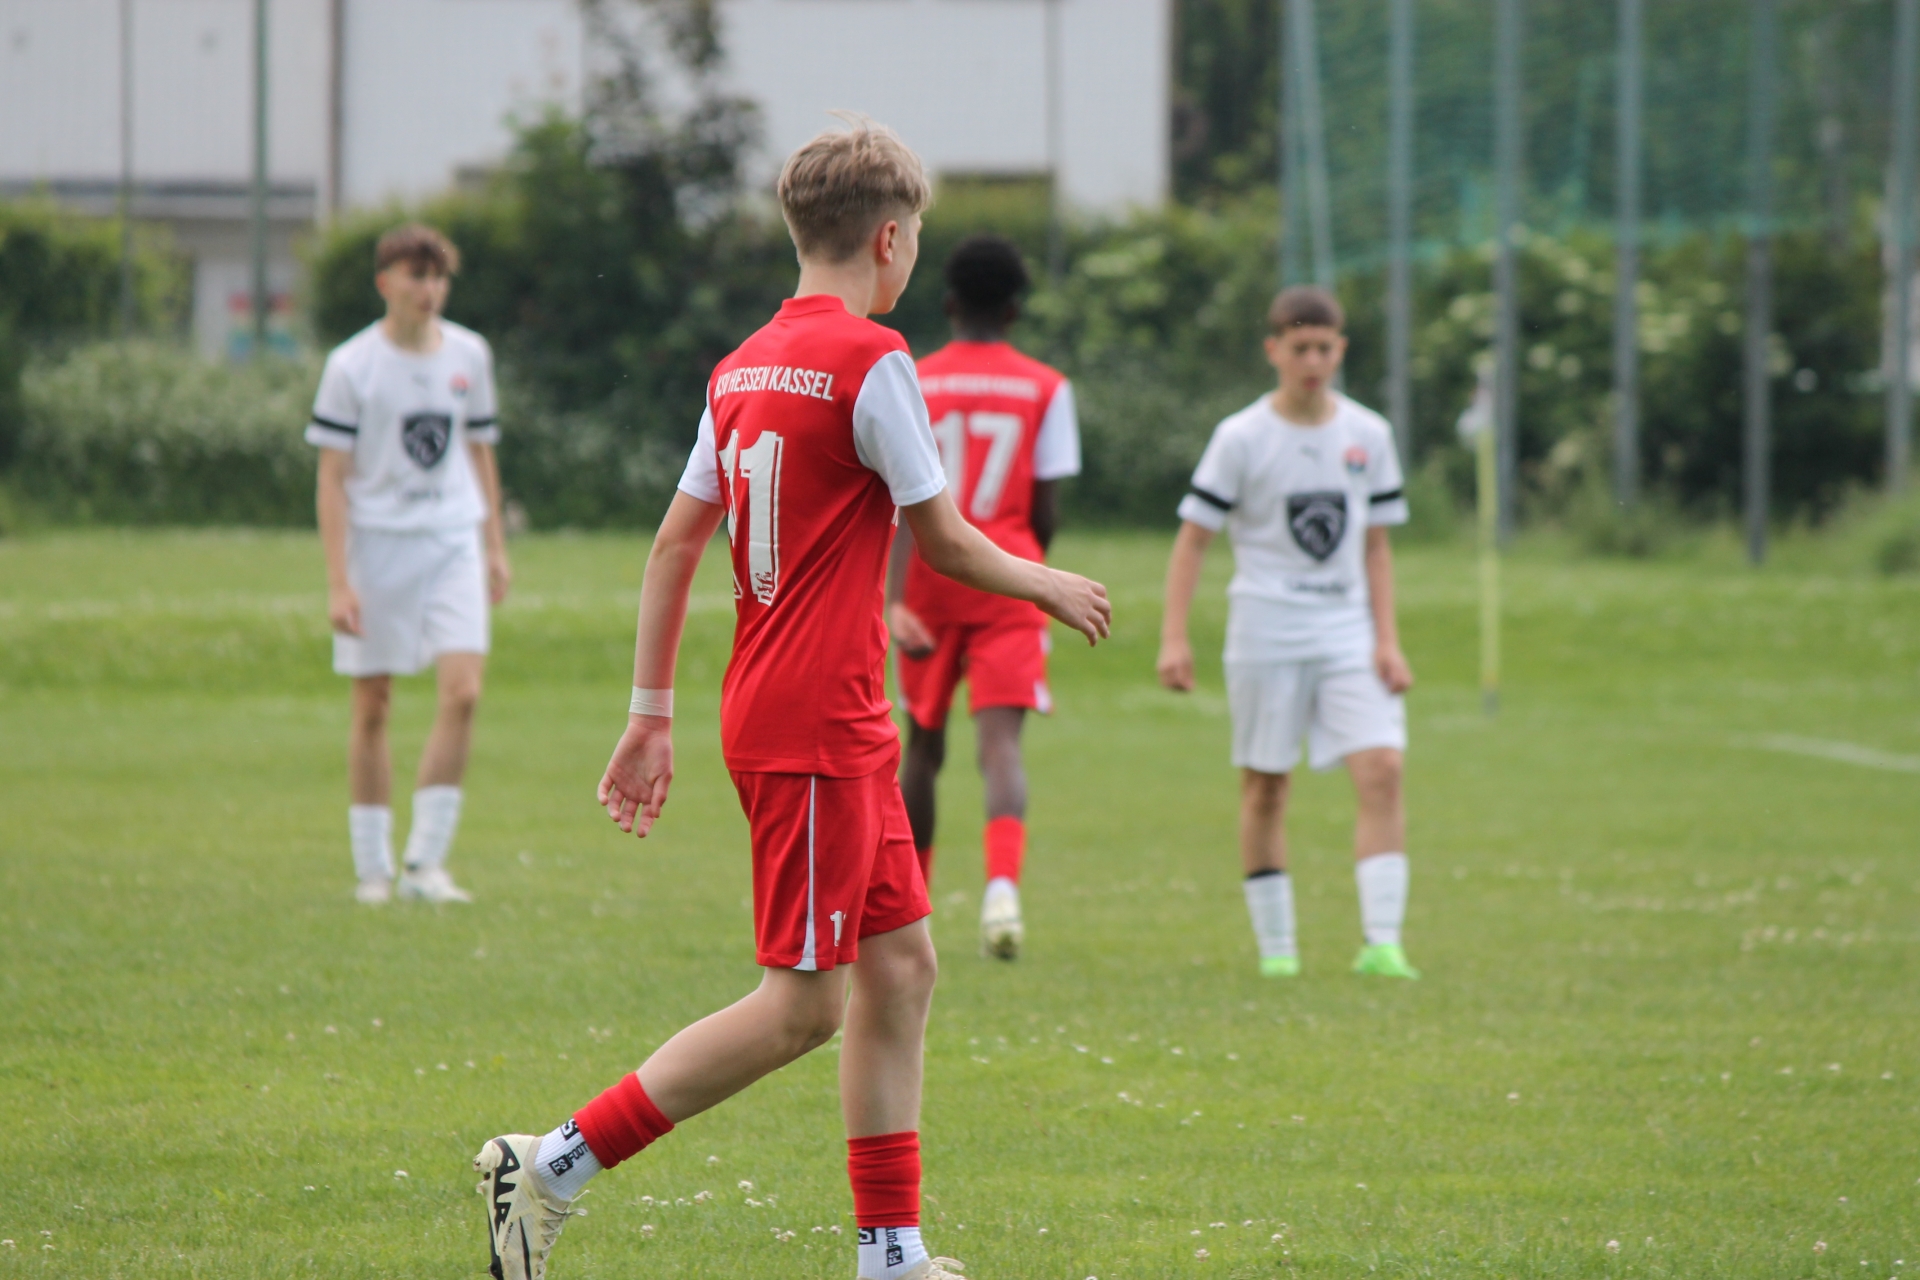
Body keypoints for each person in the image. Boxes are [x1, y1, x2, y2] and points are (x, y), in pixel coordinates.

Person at [472, 118, 1111, 1280]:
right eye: (913, 236)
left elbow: (675, 543)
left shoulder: (743, 365)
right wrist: (1046, 582)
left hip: (813, 712)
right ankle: (550, 1162)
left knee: (903, 966)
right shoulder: (874, 359)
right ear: (890, 239)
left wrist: (650, 711)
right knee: (803, 1005)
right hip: (815, 722)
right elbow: (944, 541)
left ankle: (891, 1250)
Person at [1155, 286, 1419, 980]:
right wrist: (1174, 638)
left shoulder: (1369, 435)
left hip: (1348, 630)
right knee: (1267, 786)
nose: (1313, 362)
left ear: (1341, 350)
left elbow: (1377, 547)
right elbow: (1193, 540)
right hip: (1265, 630)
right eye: (1300, 348)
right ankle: (1278, 953)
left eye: (1325, 348)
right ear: (1273, 350)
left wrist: (1387, 640)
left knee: (1384, 768)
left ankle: (1383, 945)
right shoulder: (1241, 437)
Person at [886, 234, 1081, 961]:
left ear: (948, 303)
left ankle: (912, 908)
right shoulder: (1047, 387)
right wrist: (1034, 575)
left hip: (929, 581)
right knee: (1000, 746)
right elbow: (1046, 510)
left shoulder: (914, 380)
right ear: (1014, 311)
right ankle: (1002, 893)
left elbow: (897, 500)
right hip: (1010, 580)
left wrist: (894, 597)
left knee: (922, 745)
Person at [307, 223, 510, 906]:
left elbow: (478, 450)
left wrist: (494, 545)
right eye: (417, 276)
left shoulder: (469, 354)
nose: (430, 289)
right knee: (374, 703)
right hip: (377, 545)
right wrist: (338, 581)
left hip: (451, 540)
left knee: (464, 691)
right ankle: (373, 869)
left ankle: (425, 865)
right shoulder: (351, 366)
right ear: (384, 282)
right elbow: (331, 477)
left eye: (439, 277)